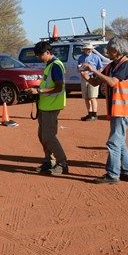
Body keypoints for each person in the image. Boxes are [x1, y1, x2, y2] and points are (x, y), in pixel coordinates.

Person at [80, 36, 128, 184]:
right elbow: (95, 82)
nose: (107, 51)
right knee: (120, 142)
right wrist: (85, 76)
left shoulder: (126, 65)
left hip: (124, 111)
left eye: (109, 49)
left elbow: (112, 82)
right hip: (117, 110)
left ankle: (112, 175)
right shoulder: (111, 66)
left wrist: (94, 70)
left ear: (116, 50)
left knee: (113, 143)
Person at [27, 40, 68, 175]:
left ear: (48, 52)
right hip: (45, 106)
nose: (39, 58)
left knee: (49, 137)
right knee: (42, 135)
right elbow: (47, 84)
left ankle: (62, 163)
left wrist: (39, 92)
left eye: (40, 55)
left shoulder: (55, 65)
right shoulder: (49, 65)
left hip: (52, 106)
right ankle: (49, 161)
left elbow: (58, 87)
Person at [77, 42, 103, 121]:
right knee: (86, 97)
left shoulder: (96, 57)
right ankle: (89, 113)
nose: (89, 50)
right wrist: (81, 71)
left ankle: (94, 115)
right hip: (84, 78)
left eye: (90, 49)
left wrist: (96, 74)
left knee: (92, 97)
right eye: (87, 49)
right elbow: (78, 67)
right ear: (84, 50)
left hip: (93, 78)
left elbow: (100, 68)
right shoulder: (81, 58)